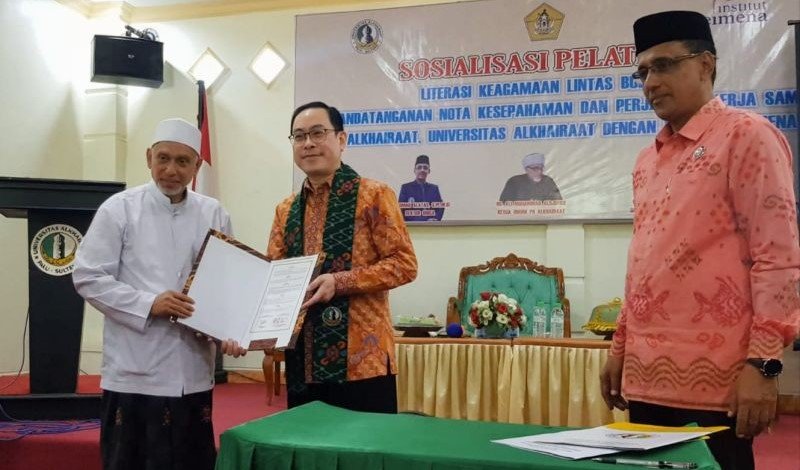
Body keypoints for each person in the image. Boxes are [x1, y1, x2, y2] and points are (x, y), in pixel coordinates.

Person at [599, 11, 800, 470]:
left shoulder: (747, 136)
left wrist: (763, 364)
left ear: (706, 64)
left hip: (720, 383)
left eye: (665, 65)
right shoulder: (647, 160)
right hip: (646, 379)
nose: (651, 82)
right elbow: (642, 265)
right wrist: (620, 349)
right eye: (643, 72)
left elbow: (778, 259)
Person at [73, 118, 247, 470]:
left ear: (197, 165)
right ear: (148, 157)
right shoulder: (119, 208)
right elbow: (88, 275)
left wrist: (233, 330)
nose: (171, 170)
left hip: (192, 369)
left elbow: (226, 283)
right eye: (163, 158)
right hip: (135, 369)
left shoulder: (213, 212)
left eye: (183, 161)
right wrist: (148, 303)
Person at [266, 101, 417, 414]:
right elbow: (275, 277)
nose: (308, 143)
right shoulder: (285, 210)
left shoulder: (374, 195)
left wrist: (340, 281)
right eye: (299, 136)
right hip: (303, 358)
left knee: (365, 443)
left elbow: (404, 264)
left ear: (342, 139)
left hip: (363, 361)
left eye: (318, 133)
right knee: (307, 441)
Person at [398, 154, 445, 222]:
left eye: (425, 168)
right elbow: (400, 209)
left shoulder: (434, 188)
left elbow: (440, 207)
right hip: (411, 226)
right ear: (414, 170)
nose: (422, 170)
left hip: (430, 225)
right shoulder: (406, 188)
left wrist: (435, 219)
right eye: (419, 167)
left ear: (429, 171)